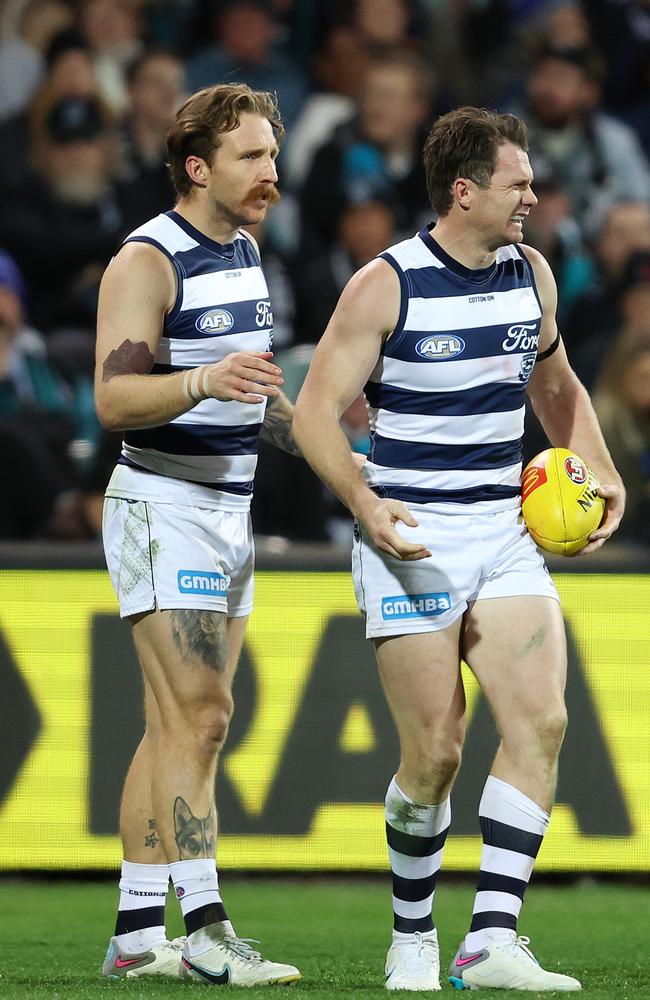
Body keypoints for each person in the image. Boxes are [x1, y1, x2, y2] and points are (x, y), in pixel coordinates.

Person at [293, 106, 625, 992]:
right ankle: (412, 932)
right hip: (413, 537)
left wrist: (595, 461)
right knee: (435, 752)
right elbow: (314, 411)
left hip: (506, 532)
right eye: (518, 181)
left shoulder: (533, 274)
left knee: (543, 722)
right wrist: (363, 500)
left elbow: (554, 384)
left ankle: (489, 941)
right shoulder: (385, 284)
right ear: (464, 190)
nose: (533, 194)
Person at [94, 82, 301, 986]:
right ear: (196, 167)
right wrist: (202, 381)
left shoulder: (249, 253)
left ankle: (139, 936)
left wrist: (347, 453)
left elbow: (258, 395)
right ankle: (208, 930)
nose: (270, 172)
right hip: (161, 506)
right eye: (251, 157)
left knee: (171, 726)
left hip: (230, 509)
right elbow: (112, 398)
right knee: (204, 717)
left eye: (272, 154)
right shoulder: (149, 259)